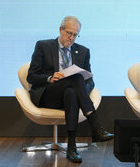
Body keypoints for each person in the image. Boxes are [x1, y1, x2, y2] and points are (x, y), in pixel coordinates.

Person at [27, 16, 113, 163]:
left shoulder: (83, 51)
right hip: (49, 94)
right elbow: (32, 76)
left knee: (72, 91)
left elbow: (90, 81)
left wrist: (81, 89)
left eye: (75, 34)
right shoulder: (43, 46)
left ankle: (72, 148)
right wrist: (50, 77)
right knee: (76, 79)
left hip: (69, 96)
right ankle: (96, 126)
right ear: (61, 30)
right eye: (69, 33)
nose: (71, 38)